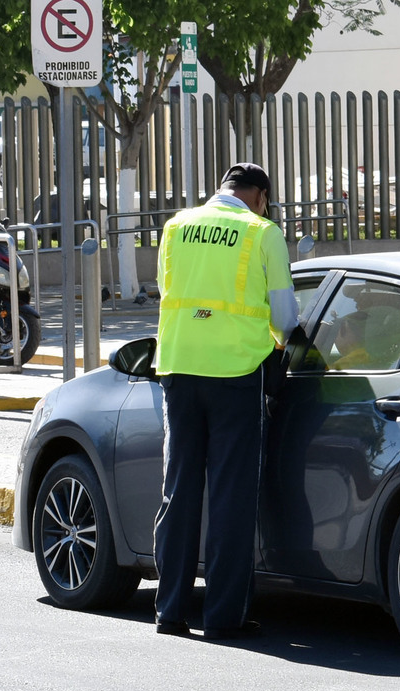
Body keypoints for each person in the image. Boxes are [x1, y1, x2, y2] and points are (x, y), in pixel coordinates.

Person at [152, 162, 299, 640]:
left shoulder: (176, 226)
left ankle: (170, 612)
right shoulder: (261, 232)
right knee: (231, 498)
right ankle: (222, 618)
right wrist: (277, 341)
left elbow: (167, 294)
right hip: (237, 372)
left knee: (179, 492)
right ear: (260, 196)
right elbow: (285, 316)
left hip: (178, 368)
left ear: (223, 189)